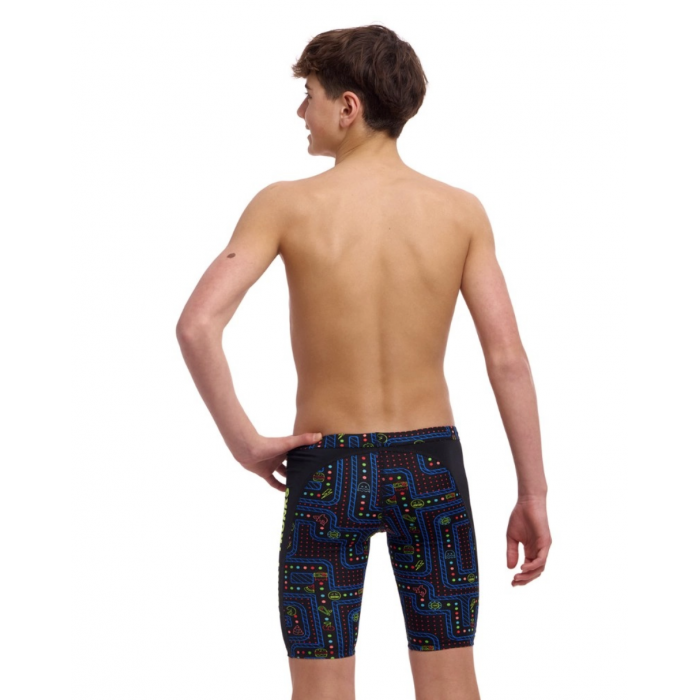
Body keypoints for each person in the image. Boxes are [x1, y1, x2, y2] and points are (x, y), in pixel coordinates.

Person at [176, 23, 551, 700]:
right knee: (451, 686)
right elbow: (508, 359)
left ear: (348, 107)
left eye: (310, 95)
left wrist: (245, 444)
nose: (301, 111)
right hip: (430, 469)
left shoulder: (285, 205)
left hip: (328, 471)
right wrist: (533, 494)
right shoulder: (460, 212)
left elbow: (198, 324)